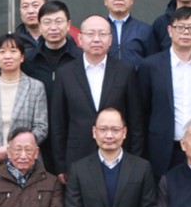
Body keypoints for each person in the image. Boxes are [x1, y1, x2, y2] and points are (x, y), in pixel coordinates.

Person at [47, 16, 144, 176]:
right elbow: (58, 123)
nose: (96, 39)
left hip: (119, 156)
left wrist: (135, 160)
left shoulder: (125, 71)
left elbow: (136, 121)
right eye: (90, 34)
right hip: (77, 156)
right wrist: (60, 166)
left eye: (102, 34)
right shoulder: (65, 73)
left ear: (110, 39)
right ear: (80, 39)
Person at [137, 7, 191, 177]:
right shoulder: (150, 66)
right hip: (162, 149)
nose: (186, 32)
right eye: (180, 27)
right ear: (170, 30)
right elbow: (142, 109)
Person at [0, 35, 48, 174]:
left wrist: (11, 149)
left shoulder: (36, 87)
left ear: (22, 57)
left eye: (13, 51)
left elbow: (41, 128)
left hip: (26, 161)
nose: (7, 56)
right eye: (2, 52)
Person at [22, 0, 82, 88]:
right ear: (40, 26)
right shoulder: (28, 60)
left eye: (58, 21)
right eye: (47, 22)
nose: (53, 28)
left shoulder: (81, 58)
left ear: (68, 25)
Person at [103, 0, 153, 65]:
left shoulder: (145, 30)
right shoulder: (98, 29)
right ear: (105, 0)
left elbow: (152, 61)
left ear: (132, 0)